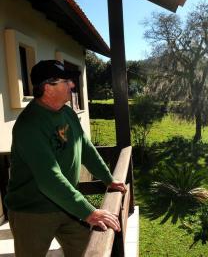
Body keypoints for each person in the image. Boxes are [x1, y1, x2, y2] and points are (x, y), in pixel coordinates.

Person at [5, 60, 126, 257]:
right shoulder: (29, 125)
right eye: (66, 81)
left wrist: (108, 179)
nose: (72, 85)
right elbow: (49, 179)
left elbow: (86, 149)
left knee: (90, 250)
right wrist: (90, 212)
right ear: (47, 87)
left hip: (66, 205)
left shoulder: (67, 113)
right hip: (31, 212)